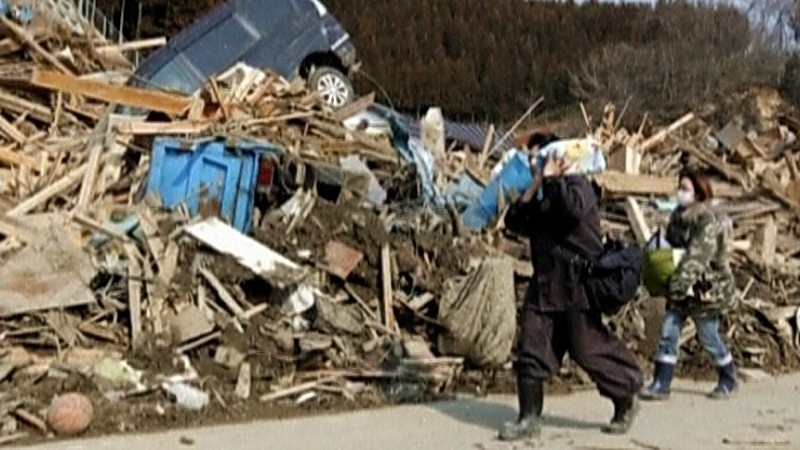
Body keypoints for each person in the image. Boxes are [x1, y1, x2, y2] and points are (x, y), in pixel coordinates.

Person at [499, 133, 643, 441]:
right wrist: (534, 186)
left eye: (540, 156)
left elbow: (571, 212)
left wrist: (554, 178)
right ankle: (528, 418)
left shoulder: (578, 187)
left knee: (587, 348)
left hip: (577, 287)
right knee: (531, 348)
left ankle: (626, 395)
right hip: (545, 285)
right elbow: (514, 223)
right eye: (533, 158)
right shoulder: (542, 192)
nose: (536, 163)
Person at [640, 170, 737, 401]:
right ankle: (661, 382)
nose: (680, 193)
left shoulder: (706, 220)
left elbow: (697, 256)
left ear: (698, 194)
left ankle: (728, 377)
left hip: (707, 287)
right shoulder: (678, 216)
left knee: (708, 336)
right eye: (680, 187)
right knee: (668, 332)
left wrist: (678, 284)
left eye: (685, 189)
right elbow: (674, 249)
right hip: (682, 285)